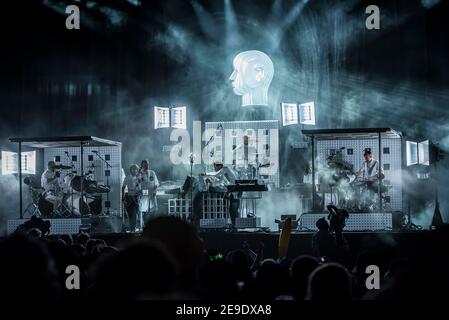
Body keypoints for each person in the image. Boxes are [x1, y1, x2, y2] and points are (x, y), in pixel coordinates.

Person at [138, 159, 159, 228]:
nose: (147, 166)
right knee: (145, 212)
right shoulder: (140, 174)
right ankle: (145, 227)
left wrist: (155, 191)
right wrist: (140, 174)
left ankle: (152, 227)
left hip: (152, 195)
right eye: (145, 165)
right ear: (142, 166)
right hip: (144, 196)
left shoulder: (152, 173)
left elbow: (156, 184)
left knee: (153, 212)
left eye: (147, 164)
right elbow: (137, 184)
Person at [122, 164, 140, 232]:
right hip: (129, 197)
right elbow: (123, 187)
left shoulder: (139, 178)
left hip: (136, 197)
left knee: (136, 213)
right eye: (132, 169)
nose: (134, 170)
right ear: (130, 170)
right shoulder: (127, 177)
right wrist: (123, 197)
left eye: (135, 169)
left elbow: (141, 187)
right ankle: (132, 228)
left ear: (137, 170)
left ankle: (135, 228)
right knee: (130, 214)